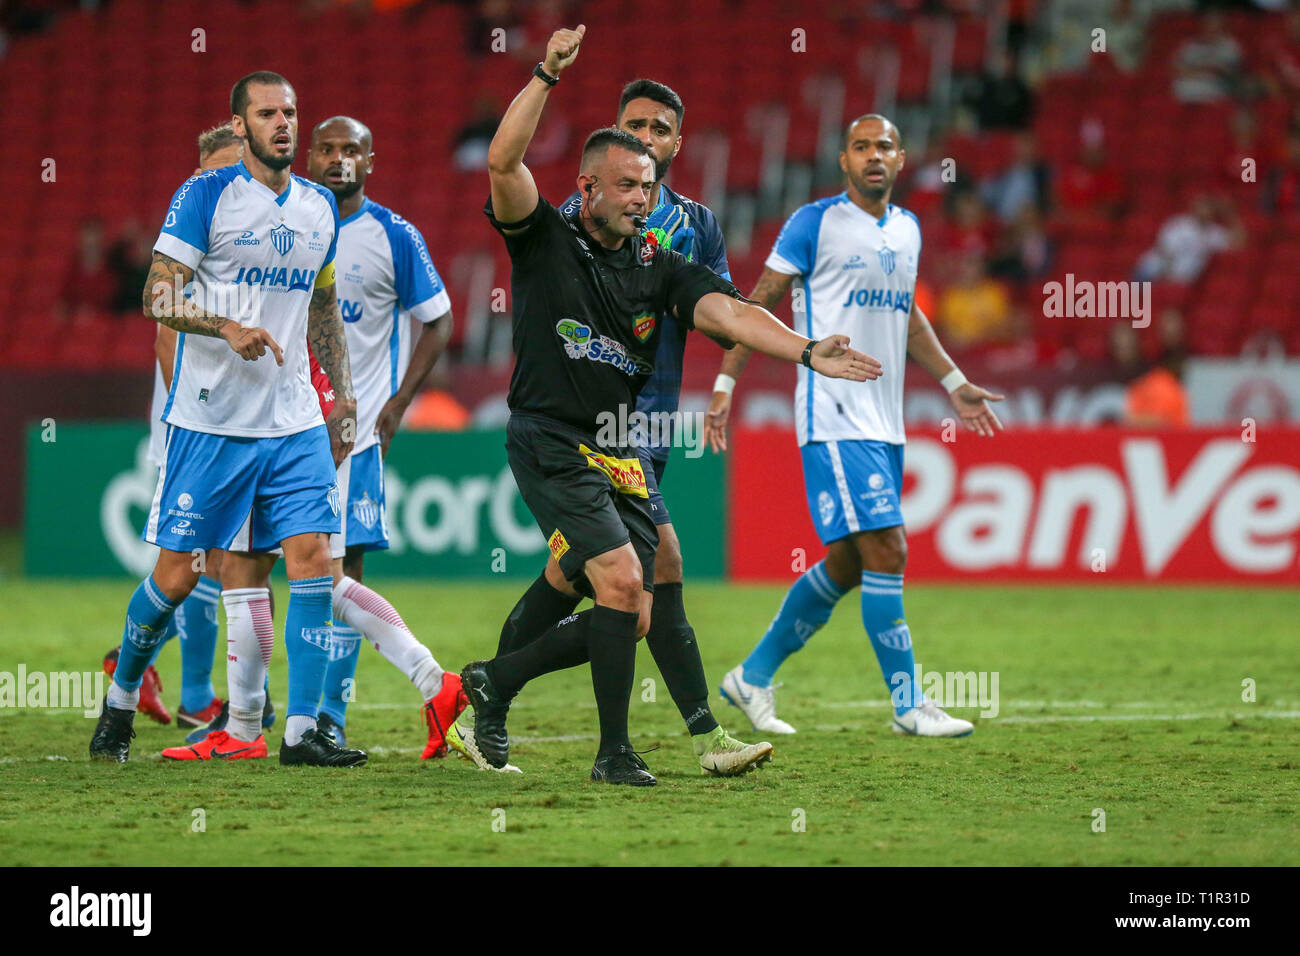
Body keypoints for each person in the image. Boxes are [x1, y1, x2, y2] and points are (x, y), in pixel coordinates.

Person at [458, 24, 880, 786]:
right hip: (551, 437)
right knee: (623, 581)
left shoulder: (661, 261)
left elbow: (729, 314)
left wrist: (807, 349)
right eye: (626, 186)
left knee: (625, 601)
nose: (641, 200)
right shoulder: (545, 239)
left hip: (621, 440)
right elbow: (502, 160)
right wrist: (547, 75)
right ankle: (621, 751)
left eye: (648, 187)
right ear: (587, 187)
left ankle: (492, 683)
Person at [449, 78, 769, 778]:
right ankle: (696, 736)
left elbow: (725, 310)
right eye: (635, 126)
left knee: (577, 580)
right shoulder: (574, 219)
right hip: (583, 428)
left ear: (677, 144)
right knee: (647, 575)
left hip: (642, 426)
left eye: (659, 129)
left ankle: (491, 689)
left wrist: (728, 381)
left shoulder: (691, 227)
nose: (647, 138)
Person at [89, 70, 365, 767]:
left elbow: (324, 308)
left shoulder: (317, 208)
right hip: (211, 423)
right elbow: (156, 296)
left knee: (310, 561)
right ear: (239, 125)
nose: (284, 124)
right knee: (179, 578)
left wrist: (347, 397)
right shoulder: (204, 195)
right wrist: (224, 328)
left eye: (291, 112)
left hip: (294, 417)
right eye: (268, 113)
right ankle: (122, 695)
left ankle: (299, 734)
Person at [705, 114, 1003, 738]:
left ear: (901, 160)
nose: (874, 155)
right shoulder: (814, 224)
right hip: (834, 414)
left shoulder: (909, 230)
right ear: (844, 160)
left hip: (886, 423)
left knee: (845, 560)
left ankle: (751, 677)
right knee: (888, 547)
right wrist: (726, 383)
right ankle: (909, 704)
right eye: (862, 146)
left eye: (885, 146)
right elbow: (753, 306)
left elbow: (909, 318)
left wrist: (953, 382)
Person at [102, 124, 254, 736]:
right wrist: (192, 410)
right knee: (198, 560)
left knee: (213, 559)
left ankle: (165, 679)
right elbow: (167, 328)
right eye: (219, 168)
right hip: (192, 422)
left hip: (230, 420)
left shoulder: (237, 224)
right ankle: (189, 690)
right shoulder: (194, 219)